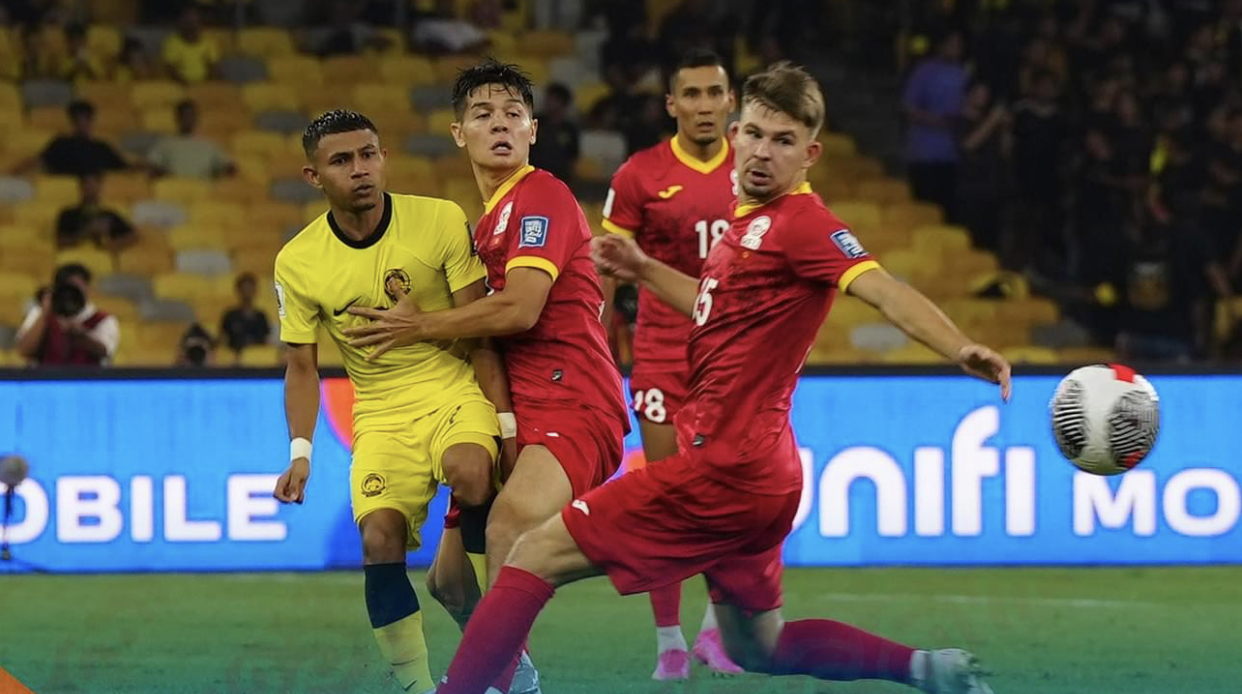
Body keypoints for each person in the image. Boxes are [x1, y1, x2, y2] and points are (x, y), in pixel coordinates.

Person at [430, 62, 1011, 694]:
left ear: (810, 154)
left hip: (723, 471)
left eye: (784, 141)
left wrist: (958, 346)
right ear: (735, 134)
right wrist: (644, 268)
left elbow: (880, 288)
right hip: (766, 476)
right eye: (755, 134)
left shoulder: (803, 224)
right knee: (758, 644)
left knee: (530, 552)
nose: (763, 152)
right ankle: (928, 668)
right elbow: (713, 305)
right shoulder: (748, 223)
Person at [343, 59, 629, 691]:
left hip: (573, 401)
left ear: (533, 131)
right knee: (448, 581)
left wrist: (419, 326)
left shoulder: (542, 195)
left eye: (513, 114)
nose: (499, 124)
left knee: (507, 526)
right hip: (510, 407)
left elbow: (520, 309)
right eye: (483, 114)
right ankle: (517, 680)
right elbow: (478, 334)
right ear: (458, 133)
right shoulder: (481, 225)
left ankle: (469, 685)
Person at [269, 110, 526, 694]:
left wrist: (507, 426)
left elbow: (480, 328)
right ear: (314, 176)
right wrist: (301, 453)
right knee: (378, 538)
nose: (360, 169)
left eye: (368, 154)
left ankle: (507, 654)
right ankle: (415, 686)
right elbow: (302, 366)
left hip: (453, 387)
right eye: (342, 160)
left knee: (471, 471)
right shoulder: (298, 261)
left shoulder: (439, 220)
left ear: (383, 157)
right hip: (381, 411)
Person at [600, 47, 741, 680]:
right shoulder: (641, 175)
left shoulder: (756, 168)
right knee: (668, 495)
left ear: (731, 101)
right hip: (662, 353)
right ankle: (668, 643)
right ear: (671, 104)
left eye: (714, 93)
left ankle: (714, 632)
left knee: (729, 496)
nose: (704, 106)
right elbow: (608, 267)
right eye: (692, 94)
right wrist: (597, 346)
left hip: (735, 357)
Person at [15, 263, 119, 367]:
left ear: (88, 287)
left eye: (78, 287)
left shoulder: (103, 319)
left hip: (87, 376)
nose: (72, 293)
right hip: (46, 375)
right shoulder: (40, 313)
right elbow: (24, 351)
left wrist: (81, 336)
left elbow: (106, 351)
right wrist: (44, 314)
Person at [13, 100, 127, 176]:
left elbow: (123, 167)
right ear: (73, 121)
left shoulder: (102, 147)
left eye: (86, 119)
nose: (83, 123)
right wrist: (14, 173)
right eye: (79, 119)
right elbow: (39, 161)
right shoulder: (61, 144)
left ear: (91, 121)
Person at [147, 100, 236, 179]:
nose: (188, 119)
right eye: (184, 115)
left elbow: (229, 167)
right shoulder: (165, 144)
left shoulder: (209, 145)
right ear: (177, 118)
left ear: (196, 118)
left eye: (191, 115)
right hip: (174, 188)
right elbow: (152, 166)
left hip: (203, 188)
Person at [55, 172, 139, 252]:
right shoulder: (68, 214)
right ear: (81, 188)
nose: (90, 188)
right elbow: (60, 242)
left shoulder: (108, 215)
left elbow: (133, 236)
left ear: (100, 187)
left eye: (94, 184)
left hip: (103, 259)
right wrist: (86, 232)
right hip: (74, 258)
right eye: (87, 184)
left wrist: (109, 246)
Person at [162, 4, 218, 83]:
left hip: (205, 85)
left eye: (194, 21)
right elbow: (170, 69)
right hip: (179, 85)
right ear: (179, 22)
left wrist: (206, 85)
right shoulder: (171, 43)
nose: (191, 25)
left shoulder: (209, 42)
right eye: (186, 21)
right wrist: (187, 86)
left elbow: (213, 68)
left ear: (201, 23)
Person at [218, 272, 271, 357]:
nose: (247, 293)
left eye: (249, 289)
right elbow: (222, 340)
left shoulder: (261, 317)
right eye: (244, 289)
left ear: (255, 291)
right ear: (238, 291)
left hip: (257, 359)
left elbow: (266, 341)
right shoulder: (230, 316)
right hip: (235, 359)